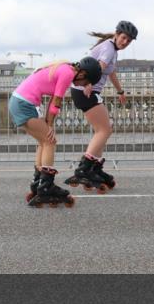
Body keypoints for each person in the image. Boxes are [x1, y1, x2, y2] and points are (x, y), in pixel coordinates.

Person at [10, 57, 103, 208]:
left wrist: (48, 123)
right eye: (85, 82)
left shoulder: (64, 68)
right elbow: (57, 101)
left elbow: (53, 100)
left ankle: (38, 183)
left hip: (18, 102)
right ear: (82, 73)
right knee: (50, 141)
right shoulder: (67, 74)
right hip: (24, 104)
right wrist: (50, 126)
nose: (82, 85)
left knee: (43, 142)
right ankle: (46, 187)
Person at [65, 20, 138, 191]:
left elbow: (110, 71)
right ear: (117, 34)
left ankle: (94, 167)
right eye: (124, 37)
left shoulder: (112, 48)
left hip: (87, 91)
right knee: (104, 130)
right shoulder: (108, 48)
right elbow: (99, 66)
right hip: (86, 92)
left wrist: (120, 92)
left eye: (129, 40)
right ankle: (84, 169)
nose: (125, 42)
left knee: (103, 131)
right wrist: (88, 82)